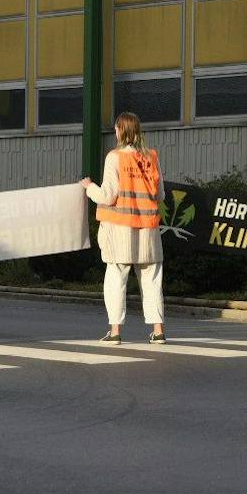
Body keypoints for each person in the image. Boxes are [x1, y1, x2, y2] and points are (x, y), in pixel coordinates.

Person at [80, 111, 165, 344]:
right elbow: (160, 194)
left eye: (116, 128)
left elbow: (107, 196)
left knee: (116, 279)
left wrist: (89, 187)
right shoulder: (152, 157)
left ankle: (115, 332)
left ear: (121, 130)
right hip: (148, 230)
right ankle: (158, 331)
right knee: (152, 280)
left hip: (120, 231)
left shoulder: (114, 157)